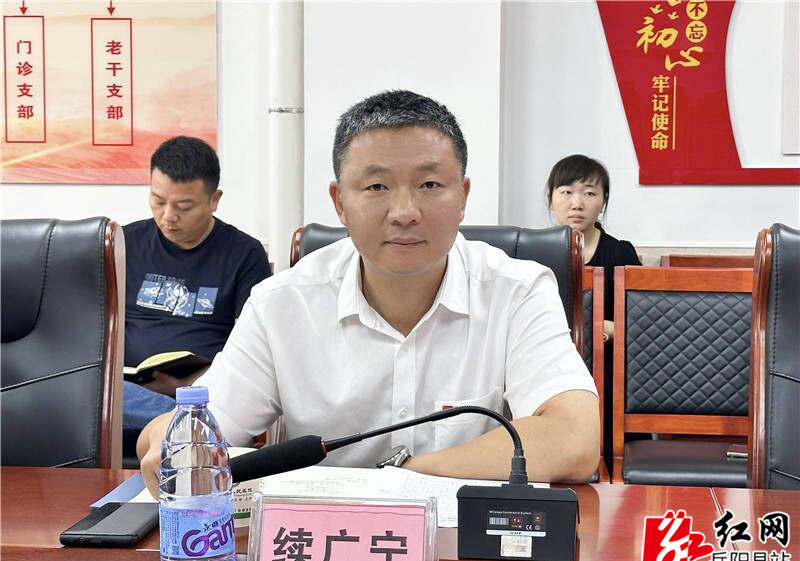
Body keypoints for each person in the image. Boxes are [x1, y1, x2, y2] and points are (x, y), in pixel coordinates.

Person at [138, 91, 598, 495]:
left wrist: (407, 476)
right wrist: (165, 442)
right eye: (377, 186)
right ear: (340, 202)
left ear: (463, 196)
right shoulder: (282, 303)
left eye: (430, 184)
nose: (404, 211)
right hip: (322, 548)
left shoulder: (518, 290)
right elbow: (197, 426)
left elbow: (574, 438)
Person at [123, 136, 271, 439]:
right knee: (90, 391)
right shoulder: (124, 244)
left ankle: (189, 416)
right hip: (126, 388)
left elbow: (254, 349)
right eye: (158, 201)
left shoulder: (244, 253)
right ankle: (188, 422)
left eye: (184, 206)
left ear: (214, 200)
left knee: (221, 398)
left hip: (204, 388)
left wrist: (187, 383)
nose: (168, 216)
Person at [546, 154, 641, 466]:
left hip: (608, 375)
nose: (577, 203)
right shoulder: (533, 253)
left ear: (603, 201)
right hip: (549, 371)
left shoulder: (621, 253)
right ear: (551, 200)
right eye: (566, 192)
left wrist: (604, 330)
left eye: (589, 193)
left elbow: (641, 329)